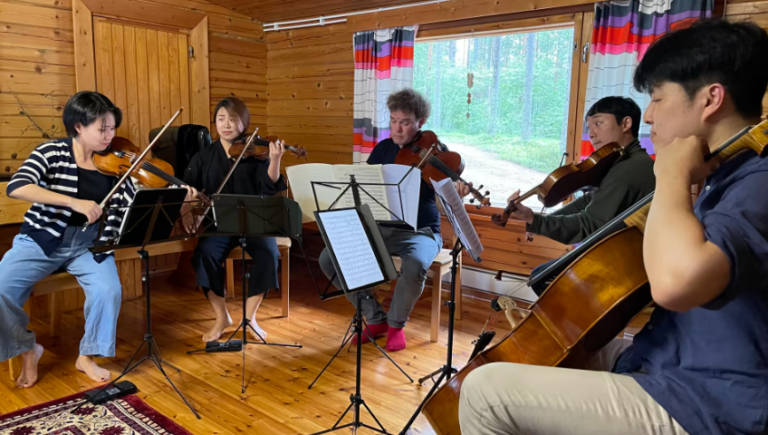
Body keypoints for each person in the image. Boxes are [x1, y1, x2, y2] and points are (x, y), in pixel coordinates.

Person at [458, 18, 768, 435]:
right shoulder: (721, 177)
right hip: (671, 359)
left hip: (707, 401)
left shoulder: (758, 183)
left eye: (657, 98)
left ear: (711, 99)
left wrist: (672, 176)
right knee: (534, 358)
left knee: (485, 392)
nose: (650, 116)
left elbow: (675, 285)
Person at [0, 91, 135, 388]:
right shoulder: (51, 152)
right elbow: (18, 186)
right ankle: (27, 348)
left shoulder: (115, 164)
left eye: (112, 128)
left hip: (89, 244)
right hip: (42, 239)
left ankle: (87, 356)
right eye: (102, 129)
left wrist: (180, 193)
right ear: (78, 126)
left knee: (108, 289)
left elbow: (134, 202)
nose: (109, 135)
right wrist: (73, 203)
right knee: (1, 288)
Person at [318, 88, 464, 352]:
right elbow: (365, 188)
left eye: (405, 122)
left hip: (421, 230)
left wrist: (456, 191)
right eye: (393, 121)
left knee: (416, 263)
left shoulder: (436, 154)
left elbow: (446, 203)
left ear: (421, 122)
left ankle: (396, 325)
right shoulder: (382, 149)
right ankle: (375, 319)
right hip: (381, 226)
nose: (397, 129)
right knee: (328, 258)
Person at [514, 96, 655, 295]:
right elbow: (591, 199)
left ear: (626, 123)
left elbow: (590, 225)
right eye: (589, 127)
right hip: (624, 255)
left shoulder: (625, 172)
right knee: (543, 274)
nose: (592, 134)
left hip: (627, 267)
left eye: (598, 123)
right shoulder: (629, 161)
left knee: (542, 278)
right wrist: (544, 220)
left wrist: (536, 221)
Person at [181, 97, 287, 343]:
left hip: (254, 221)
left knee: (269, 256)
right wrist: (189, 208)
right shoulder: (203, 156)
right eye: (221, 119)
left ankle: (250, 318)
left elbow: (269, 186)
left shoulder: (254, 152)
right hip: (218, 223)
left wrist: (276, 160)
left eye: (232, 119)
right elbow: (190, 189)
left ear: (244, 123)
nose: (226, 124)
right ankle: (222, 317)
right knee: (203, 256)